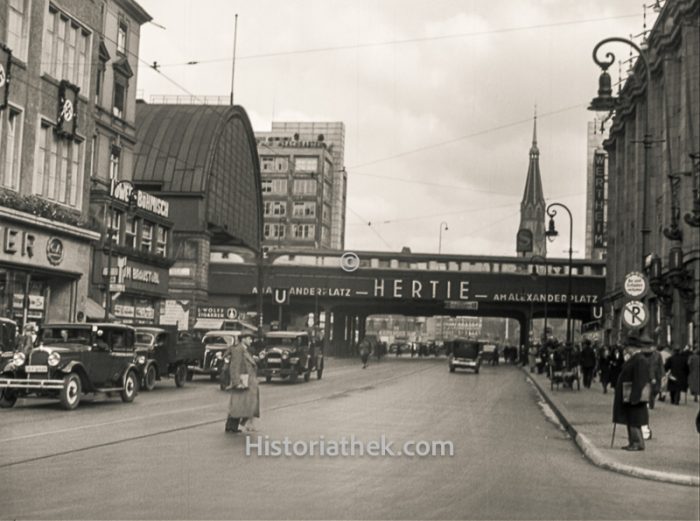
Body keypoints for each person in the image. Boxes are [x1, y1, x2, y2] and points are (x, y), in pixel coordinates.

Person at [612, 336, 652, 451]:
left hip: (634, 395)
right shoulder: (635, 358)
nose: (626, 349)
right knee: (631, 419)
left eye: (627, 347)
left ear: (633, 347)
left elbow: (640, 379)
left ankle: (637, 443)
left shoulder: (639, 360)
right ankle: (633, 442)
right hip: (629, 395)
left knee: (635, 420)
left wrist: (635, 396)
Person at [225, 333, 260, 433]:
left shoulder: (244, 349)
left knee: (242, 404)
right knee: (238, 404)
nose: (251, 341)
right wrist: (236, 382)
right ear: (243, 339)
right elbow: (234, 366)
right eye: (249, 338)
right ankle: (231, 426)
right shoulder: (238, 349)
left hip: (247, 380)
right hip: (242, 380)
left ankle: (233, 426)